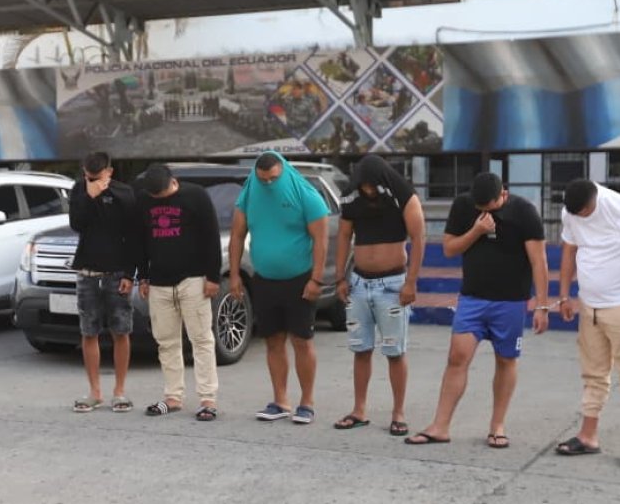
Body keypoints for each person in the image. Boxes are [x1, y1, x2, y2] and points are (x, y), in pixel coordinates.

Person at [406, 172, 549, 448]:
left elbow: (538, 261)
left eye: (490, 207)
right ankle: (440, 426)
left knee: (506, 360)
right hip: (472, 298)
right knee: (457, 357)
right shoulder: (464, 206)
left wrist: (541, 305)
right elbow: (449, 249)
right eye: (479, 207)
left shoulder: (524, 212)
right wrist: (476, 230)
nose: (484, 211)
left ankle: (497, 426)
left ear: (502, 195)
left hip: (510, 301)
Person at [554, 179, 620, 470]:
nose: (580, 219)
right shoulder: (571, 212)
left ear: (594, 201)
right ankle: (588, 436)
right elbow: (569, 251)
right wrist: (564, 295)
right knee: (593, 373)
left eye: (584, 213)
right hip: (590, 306)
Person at [229, 151, 330, 424]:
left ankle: (306, 402)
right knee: (273, 341)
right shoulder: (251, 191)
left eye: (273, 179)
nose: (268, 184)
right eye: (263, 179)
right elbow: (237, 235)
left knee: (301, 341)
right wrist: (235, 274)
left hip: (299, 280)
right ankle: (280, 400)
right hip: (265, 279)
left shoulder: (305, 194)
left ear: (282, 170)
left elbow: (321, 240)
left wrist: (316, 280)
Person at [332, 155, 425, 437]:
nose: (369, 191)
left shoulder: (403, 195)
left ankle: (398, 413)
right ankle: (359, 410)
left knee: (395, 351)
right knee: (360, 349)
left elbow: (419, 238)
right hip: (360, 283)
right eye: (365, 186)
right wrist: (340, 277)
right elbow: (345, 236)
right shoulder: (351, 196)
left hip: (393, 284)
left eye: (373, 186)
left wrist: (411, 282)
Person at [136, 163, 222, 421]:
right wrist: (143, 276)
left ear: (173, 182)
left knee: (201, 339)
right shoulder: (144, 199)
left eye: (162, 196)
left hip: (193, 279)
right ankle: (173, 396)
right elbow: (140, 238)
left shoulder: (196, 195)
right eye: (155, 198)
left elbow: (211, 236)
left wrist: (213, 277)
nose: (158, 200)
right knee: (166, 341)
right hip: (159, 281)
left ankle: (208, 399)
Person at [68, 152, 138, 414]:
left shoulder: (124, 193)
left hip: (117, 272)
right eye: (86, 176)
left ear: (109, 172)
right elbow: (77, 223)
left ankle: (119, 392)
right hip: (87, 272)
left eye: (95, 177)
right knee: (89, 332)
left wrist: (130, 275)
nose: (90, 180)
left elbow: (133, 236)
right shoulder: (79, 191)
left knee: (121, 331)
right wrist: (90, 195)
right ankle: (94, 392)